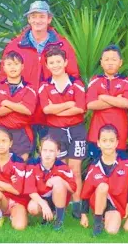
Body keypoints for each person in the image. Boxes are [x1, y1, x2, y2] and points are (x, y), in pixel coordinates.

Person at [0, 0, 80, 152]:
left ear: (49, 19)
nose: (38, 20)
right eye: (34, 16)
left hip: (52, 115)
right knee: (21, 160)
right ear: (29, 19)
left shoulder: (62, 45)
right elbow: (4, 79)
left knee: (50, 159)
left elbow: (73, 76)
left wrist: (62, 105)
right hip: (22, 115)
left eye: (42, 16)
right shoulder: (15, 45)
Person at [38, 46, 86, 219]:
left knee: (75, 169)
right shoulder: (44, 86)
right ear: (47, 65)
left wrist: (56, 109)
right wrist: (68, 105)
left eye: (59, 61)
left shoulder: (77, 83)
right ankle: (60, 204)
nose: (55, 65)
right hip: (56, 131)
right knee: (60, 168)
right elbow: (46, 109)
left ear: (65, 62)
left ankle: (76, 205)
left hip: (77, 130)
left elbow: (80, 108)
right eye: (52, 62)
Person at [80, 124, 128, 237]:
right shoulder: (94, 167)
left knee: (111, 231)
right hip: (97, 202)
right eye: (104, 140)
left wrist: (127, 205)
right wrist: (84, 214)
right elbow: (86, 193)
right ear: (98, 143)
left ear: (116, 143)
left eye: (111, 141)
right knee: (102, 186)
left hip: (116, 205)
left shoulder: (127, 164)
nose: (108, 144)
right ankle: (97, 223)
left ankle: (106, 219)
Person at [86, 45, 128, 160]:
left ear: (120, 62)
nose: (110, 63)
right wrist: (116, 100)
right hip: (96, 135)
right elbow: (90, 104)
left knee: (117, 171)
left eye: (114, 59)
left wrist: (102, 97)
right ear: (101, 62)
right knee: (97, 169)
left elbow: (127, 104)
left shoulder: (126, 82)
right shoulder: (95, 80)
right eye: (106, 60)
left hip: (119, 136)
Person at [24, 136, 76, 231]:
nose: (47, 154)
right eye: (45, 150)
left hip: (57, 199)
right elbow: (30, 190)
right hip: (41, 199)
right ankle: (46, 218)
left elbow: (73, 188)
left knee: (59, 183)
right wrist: (44, 205)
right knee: (32, 207)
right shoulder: (32, 164)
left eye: (51, 151)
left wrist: (59, 180)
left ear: (58, 152)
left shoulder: (63, 167)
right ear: (40, 150)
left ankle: (59, 221)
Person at [0, 51, 37, 161]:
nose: (13, 67)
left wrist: (7, 103)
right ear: (4, 67)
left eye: (16, 64)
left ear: (22, 67)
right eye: (9, 64)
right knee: (2, 167)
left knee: (21, 167)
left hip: (21, 133)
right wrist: (18, 105)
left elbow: (28, 110)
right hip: (2, 132)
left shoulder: (29, 89)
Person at [0, 126, 29, 230]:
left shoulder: (18, 161)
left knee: (19, 227)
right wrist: (10, 185)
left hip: (18, 201)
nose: (0, 144)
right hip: (1, 200)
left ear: (10, 143)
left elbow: (18, 191)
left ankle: (16, 214)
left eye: (4, 141)